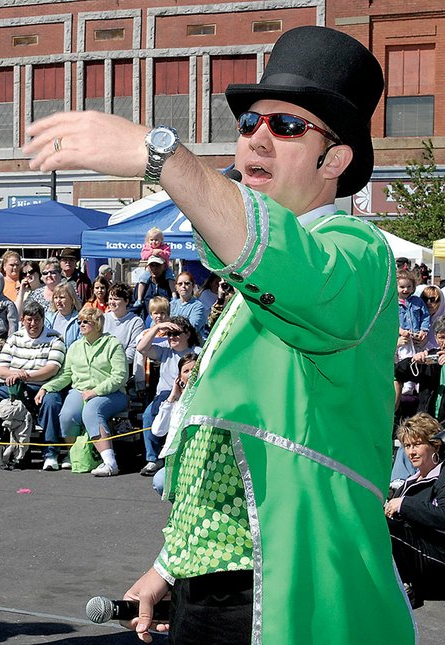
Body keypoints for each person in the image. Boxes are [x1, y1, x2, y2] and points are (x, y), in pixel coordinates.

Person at [26, 25, 413, 644]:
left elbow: (285, 262)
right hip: (211, 587)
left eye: (287, 126)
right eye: (251, 122)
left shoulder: (355, 253)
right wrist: (168, 565)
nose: (258, 134)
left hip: (290, 587)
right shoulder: (248, 280)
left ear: (334, 159)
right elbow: (221, 460)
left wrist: (164, 155)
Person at [37, 306, 128, 477]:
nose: (81, 324)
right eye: (80, 322)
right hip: (80, 390)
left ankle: (110, 462)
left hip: (112, 393)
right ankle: (75, 453)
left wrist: (96, 391)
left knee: (92, 410)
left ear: (97, 323)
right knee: (66, 415)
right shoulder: (75, 347)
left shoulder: (113, 344)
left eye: (86, 321)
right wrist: (46, 387)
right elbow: (66, 375)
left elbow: (120, 376)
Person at [0, 300, 66, 470]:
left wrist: (24, 375)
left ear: (43, 320)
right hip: (15, 385)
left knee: (51, 403)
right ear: (23, 320)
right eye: (29, 320)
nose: (33, 324)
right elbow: (0, 369)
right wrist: (16, 375)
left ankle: (50, 453)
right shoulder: (15, 338)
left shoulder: (55, 338)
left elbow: (51, 369)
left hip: (43, 386)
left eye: (37, 320)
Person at [385, 413, 445, 608]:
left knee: (387, 529)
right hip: (415, 552)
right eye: (408, 446)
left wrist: (403, 505)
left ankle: (408, 588)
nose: (411, 452)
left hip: (438, 556)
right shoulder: (409, 482)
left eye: (417, 444)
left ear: (434, 445)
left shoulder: (442, 475)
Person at [137, 317, 202, 476]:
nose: (171, 337)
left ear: (187, 334)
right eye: (169, 334)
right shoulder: (165, 349)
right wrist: (158, 327)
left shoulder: (198, 352)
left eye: (176, 333)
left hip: (190, 395)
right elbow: (141, 348)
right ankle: (153, 459)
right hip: (166, 396)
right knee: (148, 415)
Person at [150, 352, 199, 497]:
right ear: (179, 377)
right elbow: (157, 431)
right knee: (160, 482)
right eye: (186, 371)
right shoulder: (174, 404)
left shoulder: (205, 399)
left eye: (194, 370)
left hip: (197, 459)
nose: (190, 374)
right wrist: (172, 397)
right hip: (176, 459)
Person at [103, 282, 145, 368]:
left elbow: (132, 350)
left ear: (126, 301)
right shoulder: (102, 319)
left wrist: (114, 363)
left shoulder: (136, 322)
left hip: (122, 366)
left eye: (116, 299)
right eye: (110, 298)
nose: (111, 302)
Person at [136, 227, 176, 304]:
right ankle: (139, 298)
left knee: (171, 277)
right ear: (148, 240)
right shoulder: (147, 247)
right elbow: (144, 256)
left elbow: (168, 255)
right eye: (151, 240)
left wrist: (160, 252)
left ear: (161, 240)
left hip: (166, 268)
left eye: (156, 240)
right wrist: (152, 251)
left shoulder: (165, 247)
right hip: (148, 269)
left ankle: (174, 295)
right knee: (142, 279)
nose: (154, 242)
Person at [44, 281, 81, 348]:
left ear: (72, 299)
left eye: (62, 297)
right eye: (56, 298)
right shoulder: (47, 318)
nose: (58, 301)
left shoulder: (80, 320)